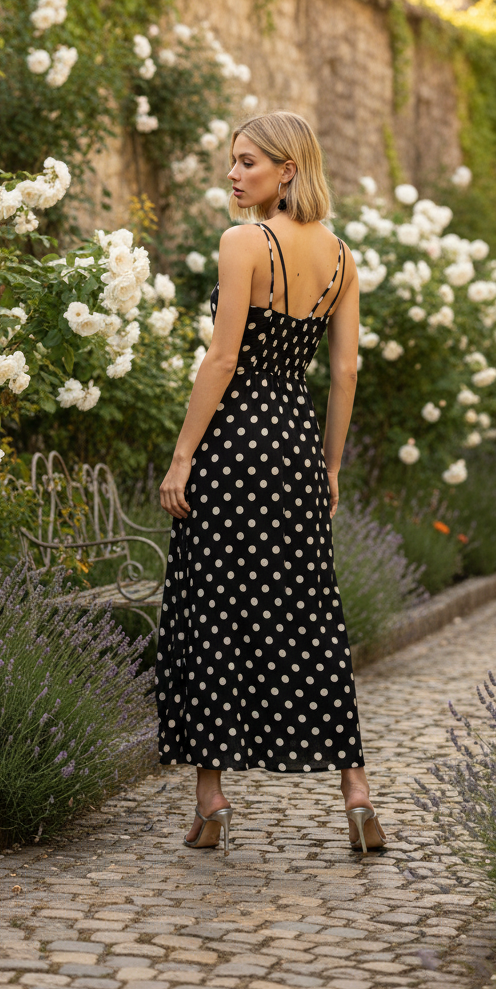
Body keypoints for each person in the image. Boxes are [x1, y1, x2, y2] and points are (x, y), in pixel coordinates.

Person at [156, 110, 385, 855]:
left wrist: (184, 454)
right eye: (232, 162)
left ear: (288, 170)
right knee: (310, 615)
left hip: (232, 445)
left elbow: (222, 362)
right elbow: (345, 372)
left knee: (213, 608)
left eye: (248, 162)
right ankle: (355, 791)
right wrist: (331, 467)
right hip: (293, 449)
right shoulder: (343, 257)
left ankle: (212, 799)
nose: (233, 174)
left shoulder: (242, 242)